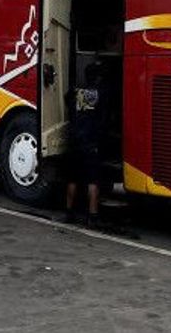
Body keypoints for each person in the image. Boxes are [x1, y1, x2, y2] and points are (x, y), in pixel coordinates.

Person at [64, 63, 104, 227]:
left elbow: (67, 99)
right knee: (92, 181)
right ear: (97, 77)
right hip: (91, 142)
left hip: (75, 141)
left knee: (72, 179)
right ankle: (92, 216)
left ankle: (69, 212)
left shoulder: (75, 93)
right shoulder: (101, 93)